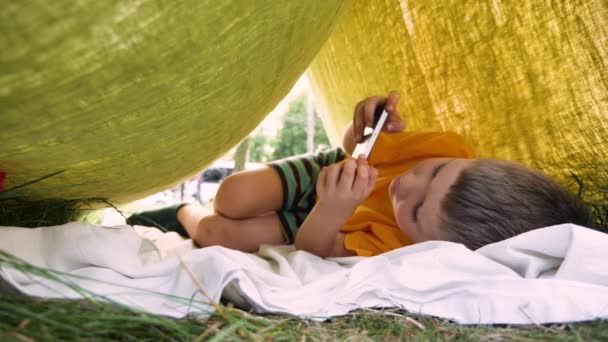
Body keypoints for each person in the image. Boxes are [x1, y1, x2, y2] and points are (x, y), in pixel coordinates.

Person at [127, 91, 592, 257]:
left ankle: (180, 213)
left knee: (216, 232)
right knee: (233, 194)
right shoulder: (449, 146)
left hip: (327, 218)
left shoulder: (404, 249)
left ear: (430, 241)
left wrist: (334, 209)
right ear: (464, 160)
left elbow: (313, 248)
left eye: (417, 209)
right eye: (433, 173)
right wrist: (364, 124)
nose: (409, 186)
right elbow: (355, 147)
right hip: (330, 172)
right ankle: (205, 206)